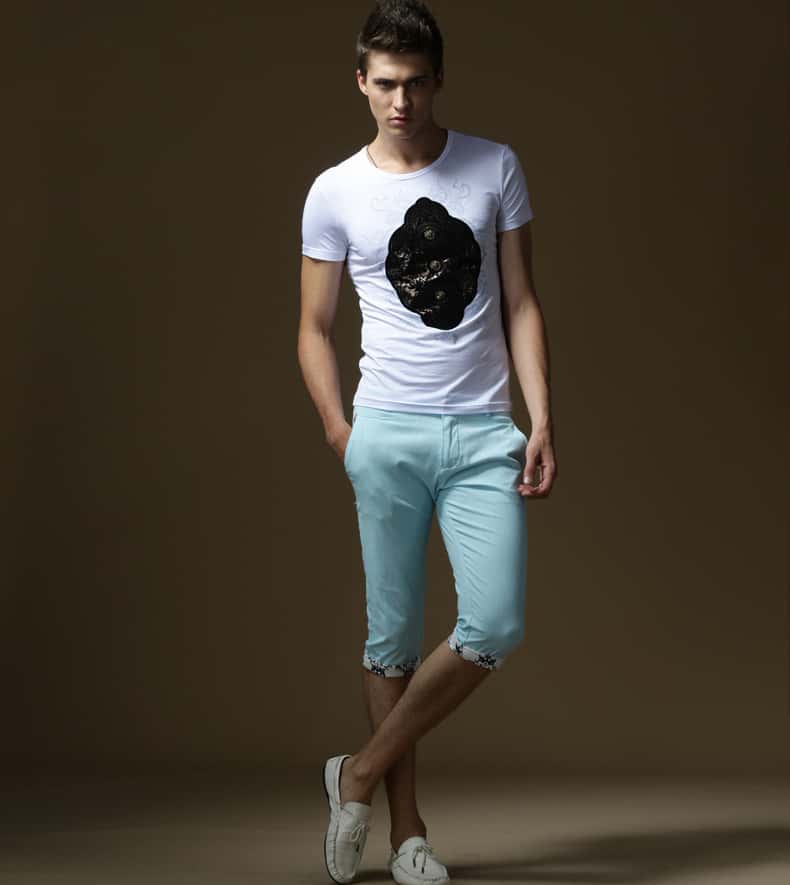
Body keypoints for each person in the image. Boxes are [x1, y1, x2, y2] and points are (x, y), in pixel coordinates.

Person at [298, 1, 557, 882]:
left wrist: (542, 417)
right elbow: (312, 327)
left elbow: (521, 301)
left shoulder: (494, 166)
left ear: (438, 79)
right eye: (385, 84)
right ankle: (407, 833)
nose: (400, 101)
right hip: (387, 433)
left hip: (484, 430)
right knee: (392, 641)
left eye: (414, 83)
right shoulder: (335, 190)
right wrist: (341, 429)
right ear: (361, 82)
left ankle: (356, 773)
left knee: (494, 623)